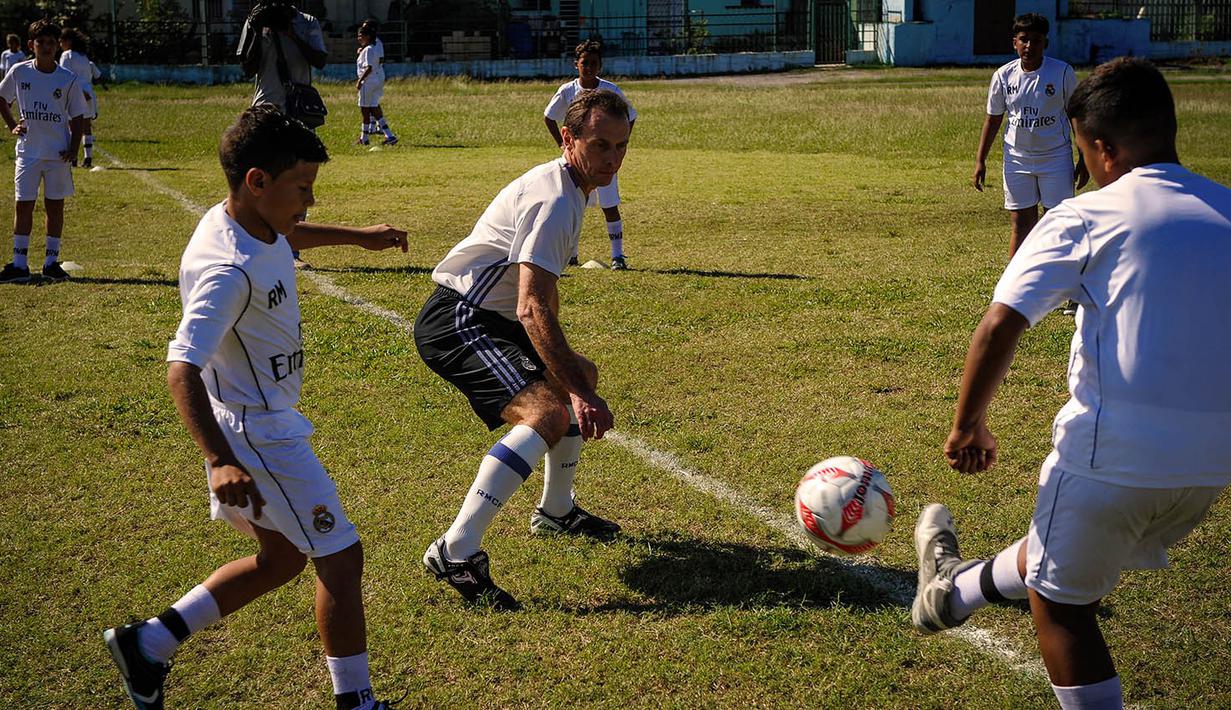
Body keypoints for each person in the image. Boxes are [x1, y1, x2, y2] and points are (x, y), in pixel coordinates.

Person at [912, 58, 1231, 710]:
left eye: (1084, 151)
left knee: (1060, 605)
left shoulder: (1086, 215)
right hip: (1211, 466)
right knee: (1069, 541)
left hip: (1112, 453)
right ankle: (950, 591)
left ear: (1103, 150)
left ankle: (951, 590)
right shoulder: (1225, 208)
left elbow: (999, 325)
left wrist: (966, 425)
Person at [101, 106, 408, 710]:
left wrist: (359, 237)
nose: (309, 203)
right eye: (303, 188)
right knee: (341, 560)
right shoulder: (226, 270)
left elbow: (286, 235)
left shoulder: (249, 224)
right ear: (257, 181)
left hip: (261, 422)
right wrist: (219, 458)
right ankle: (357, 703)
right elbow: (181, 366)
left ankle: (149, 644)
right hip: (258, 434)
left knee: (283, 557)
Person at [414, 90, 629, 610]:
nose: (613, 158)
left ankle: (556, 512)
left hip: (497, 316)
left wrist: (575, 375)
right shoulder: (556, 198)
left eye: (621, 146)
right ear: (568, 138)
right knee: (549, 412)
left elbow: (542, 296)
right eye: (601, 144)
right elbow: (532, 307)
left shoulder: (575, 187)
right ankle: (456, 551)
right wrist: (577, 395)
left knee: (582, 373)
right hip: (460, 319)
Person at [973, 13, 1088, 259]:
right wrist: (980, 160)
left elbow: (1076, 117)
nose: (1029, 46)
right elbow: (993, 119)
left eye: (1036, 40)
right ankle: (1017, 291)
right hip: (1017, 159)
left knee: (1059, 225)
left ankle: (1065, 287)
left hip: (1055, 158)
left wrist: (1084, 157)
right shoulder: (1003, 76)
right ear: (1014, 42)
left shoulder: (1062, 73)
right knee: (1021, 224)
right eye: (1023, 40)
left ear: (1045, 43)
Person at [239, 0, 327, 269]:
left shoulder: (308, 22)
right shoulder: (255, 20)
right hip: (265, 109)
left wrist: (290, 33)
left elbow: (320, 60)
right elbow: (247, 66)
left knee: (299, 180)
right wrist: (255, 28)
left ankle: (291, 253)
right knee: (261, 179)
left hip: (298, 112)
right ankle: (256, 246)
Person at [0, 19, 86, 284]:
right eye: (41, 42)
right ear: (31, 45)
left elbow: (78, 116)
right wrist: (13, 125)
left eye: (51, 42)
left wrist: (73, 148)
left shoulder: (67, 79)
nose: (46, 47)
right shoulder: (19, 71)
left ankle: (51, 263)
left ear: (57, 47)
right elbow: (2, 98)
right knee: (23, 205)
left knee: (54, 207)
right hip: (28, 153)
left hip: (57, 155)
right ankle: (20, 264)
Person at [544, 40, 636, 270]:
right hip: (577, 160)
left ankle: (618, 256)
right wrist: (562, 145)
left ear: (600, 66)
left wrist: (618, 144)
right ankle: (571, 254)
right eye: (585, 63)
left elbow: (630, 116)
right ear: (577, 64)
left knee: (609, 205)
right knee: (574, 204)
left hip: (603, 159)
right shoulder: (567, 91)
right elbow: (549, 116)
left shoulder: (611, 90)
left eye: (594, 63)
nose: (589, 67)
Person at [58, 28, 102, 168]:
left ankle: (73, 157)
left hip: (75, 92)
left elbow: (65, 75)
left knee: (73, 126)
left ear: (68, 41)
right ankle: (88, 159)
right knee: (86, 126)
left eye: (61, 41)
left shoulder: (67, 55)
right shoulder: (83, 56)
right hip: (88, 92)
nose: (59, 44)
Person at [355, 20, 396, 146]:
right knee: (374, 107)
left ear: (368, 35)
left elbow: (369, 67)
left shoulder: (370, 48)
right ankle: (389, 135)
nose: (358, 38)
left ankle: (364, 138)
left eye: (361, 35)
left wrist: (360, 80)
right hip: (375, 78)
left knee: (365, 110)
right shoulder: (370, 47)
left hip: (370, 80)